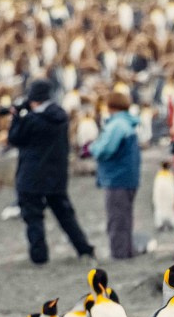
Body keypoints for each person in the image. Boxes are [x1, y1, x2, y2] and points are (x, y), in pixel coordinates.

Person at [8, 78, 95, 264]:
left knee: (34, 218)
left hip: (30, 177)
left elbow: (14, 138)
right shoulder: (61, 117)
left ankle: (40, 257)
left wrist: (16, 117)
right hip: (56, 176)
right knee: (65, 216)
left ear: (33, 98)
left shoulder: (31, 120)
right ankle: (84, 248)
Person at [90, 91, 141, 259]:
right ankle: (127, 251)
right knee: (124, 218)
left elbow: (105, 149)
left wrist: (91, 148)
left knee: (117, 219)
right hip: (128, 178)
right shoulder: (127, 123)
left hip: (117, 178)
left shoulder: (117, 125)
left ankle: (119, 254)